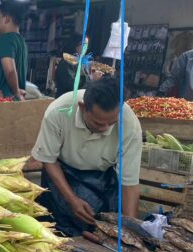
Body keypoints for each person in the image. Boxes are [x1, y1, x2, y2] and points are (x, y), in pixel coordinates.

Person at [31, 77, 141, 237]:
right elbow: (48, 159)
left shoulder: (130, 126)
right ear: (82, 108)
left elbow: (129, 182)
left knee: (98, 231)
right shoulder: (58, 111)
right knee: (57, 230)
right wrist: (71, 198)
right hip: (61, 174)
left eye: (111, 123)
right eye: (98, 123)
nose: (105, 129)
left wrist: (130, 231)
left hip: (101, 179)